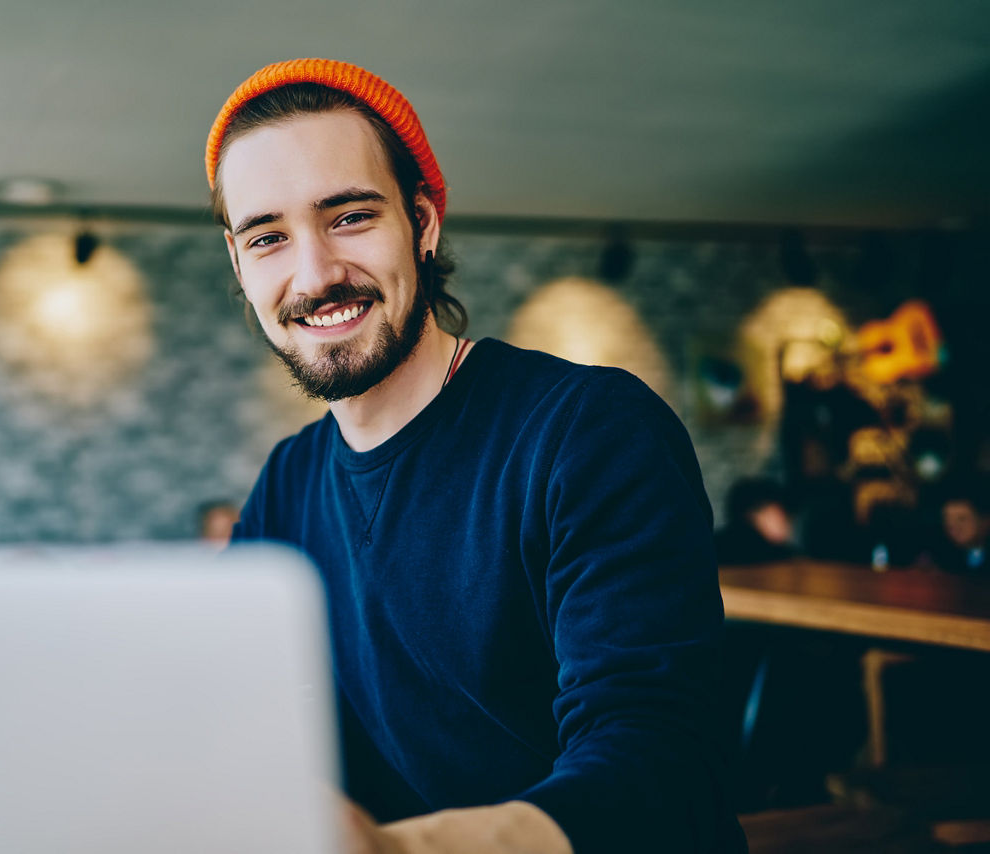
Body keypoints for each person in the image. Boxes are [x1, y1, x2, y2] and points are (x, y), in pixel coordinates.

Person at [209, 59, 745, 854]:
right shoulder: (287, 482)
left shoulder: (590, 430)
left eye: (350, 217)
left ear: (423, 223)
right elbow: (241, 709)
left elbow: (659, 757)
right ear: (239, 264)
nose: (315, 274)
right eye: (268, 237)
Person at [714, 477, 797, 565]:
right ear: (752, 515)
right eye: (780, 514)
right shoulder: (778, 558)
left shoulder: (710, 548)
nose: (787, 521)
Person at [930, 479, 989, 575]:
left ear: (985, 521)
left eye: (962, 519)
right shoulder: (942, 556)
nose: (952, 526)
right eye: (947, 519)